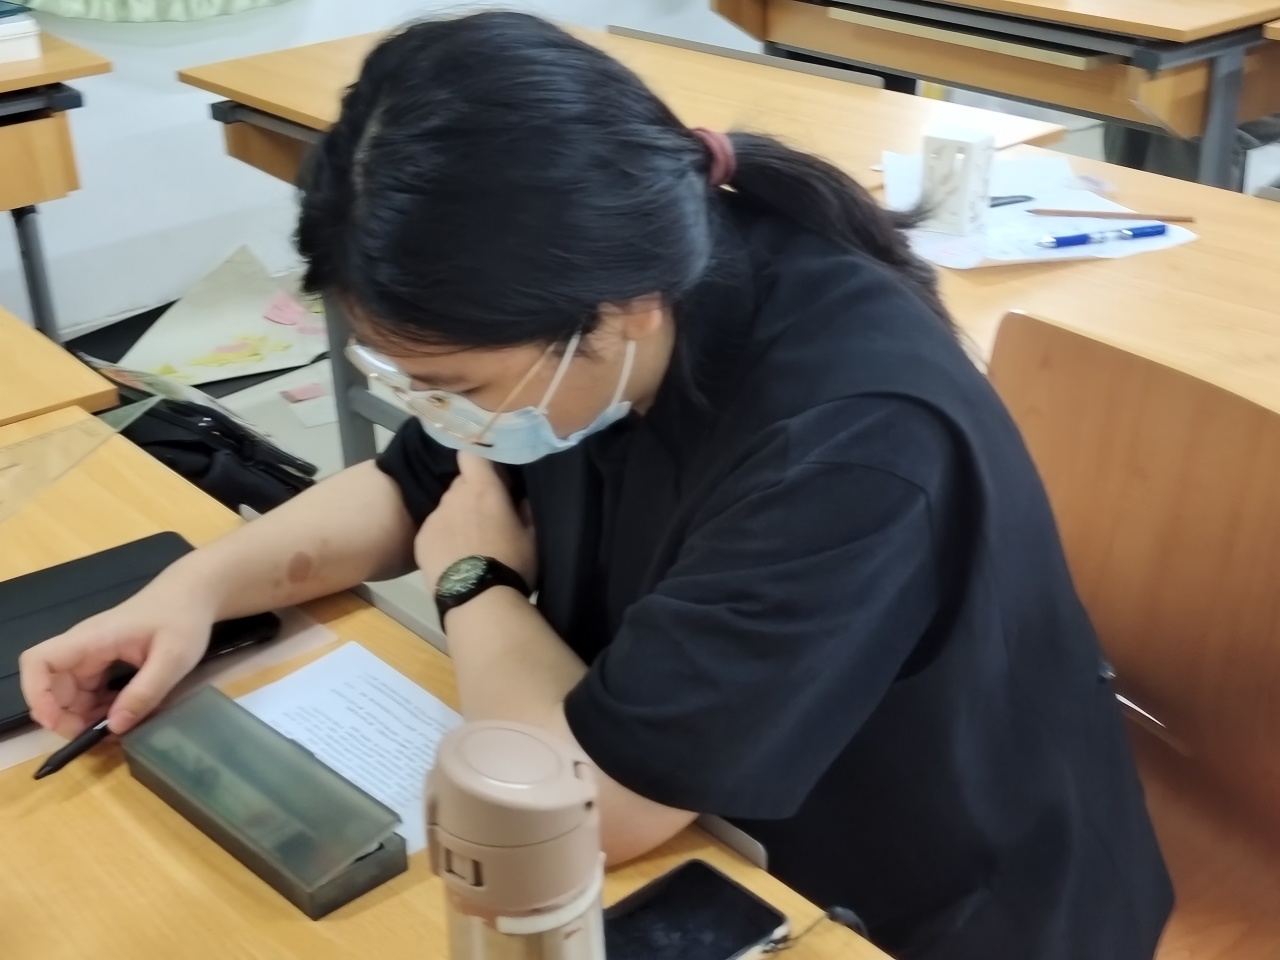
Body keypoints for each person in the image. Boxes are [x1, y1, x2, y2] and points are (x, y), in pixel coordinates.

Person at [19, 13, 1173, 959]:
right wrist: (193, 590)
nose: (438, 411)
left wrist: (473, 585)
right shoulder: (599, 309)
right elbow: (418, 489)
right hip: (709, 797)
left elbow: (597, 810)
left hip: (922, 898)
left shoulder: (849, 441)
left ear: (618, 315)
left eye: (453, 384)